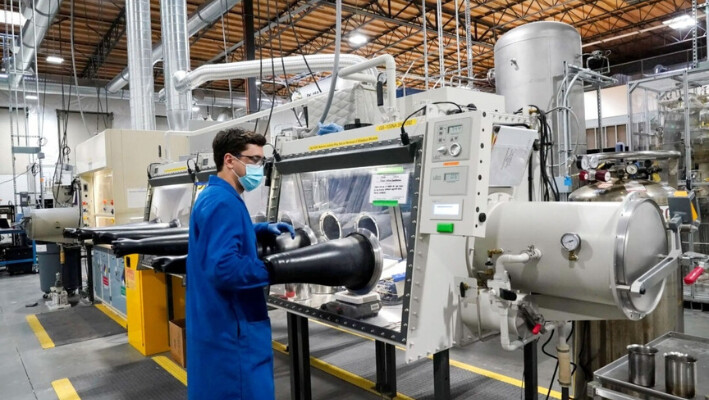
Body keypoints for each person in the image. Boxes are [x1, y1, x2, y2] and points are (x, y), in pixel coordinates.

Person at [186, 128, 294, 400]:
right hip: (234, 332)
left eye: (262, 161)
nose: (260, 167)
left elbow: (220, 238)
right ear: (230, 160)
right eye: (254, 159)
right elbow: (225, 269)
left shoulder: (212, 195)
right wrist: (276, 268)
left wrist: (259, 230)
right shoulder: (224, 202)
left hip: (214, 324)